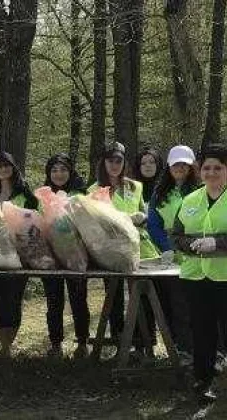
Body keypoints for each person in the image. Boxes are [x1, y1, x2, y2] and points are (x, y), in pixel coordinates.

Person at [89, 141, 160, 355]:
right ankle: (120, 341)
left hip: (139, 249)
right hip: (109, 250)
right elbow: (93, 223)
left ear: (124, 163)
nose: (114, 165)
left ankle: (144, 344)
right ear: (104, 162)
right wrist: (122, 219)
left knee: (142, 297)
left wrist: (142, 217)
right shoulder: (93, 190)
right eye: (110, 160)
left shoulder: (134, 186)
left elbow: (145, 215)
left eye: (118, 160)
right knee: (114, 297)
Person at [172, 143, 227, 404]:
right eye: (207, 167)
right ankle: (202, 379)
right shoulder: (190, 199)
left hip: (225, 277)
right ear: (200, 170)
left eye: (218, 167)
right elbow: (177, 234)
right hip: (195, 277)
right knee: (202, 331)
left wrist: (218, 243)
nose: (212, 172)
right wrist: (188, 245)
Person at [148, 145, 199, 363]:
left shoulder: (199, 190)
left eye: (184, 164)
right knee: (174, 303)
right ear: (169, 167)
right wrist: (166, 246)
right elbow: (154, 224)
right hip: (171, 257)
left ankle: (205, 348)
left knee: (196, 304)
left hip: (197, 254)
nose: (179, 168)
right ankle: (181, 348)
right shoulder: (160, 193)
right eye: (175, 164)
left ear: (190, 167)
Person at [0, 151, 38, 358]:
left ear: (13, 167)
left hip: (19, 256)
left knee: (13, 300)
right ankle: (3, 346)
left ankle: (8, 346)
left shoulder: (25, 195)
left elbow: (34, 223)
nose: (3, 169)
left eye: (6, 165)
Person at [40, 153, 90, 358]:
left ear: (70, 172)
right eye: (54, 170)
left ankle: (82, 343)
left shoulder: (80, 194)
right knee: (53, 301)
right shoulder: (41, 196)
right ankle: (56, 343)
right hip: (50, 257)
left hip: (75, 256)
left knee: (78, 299)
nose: (58, 174)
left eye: (63, 169)